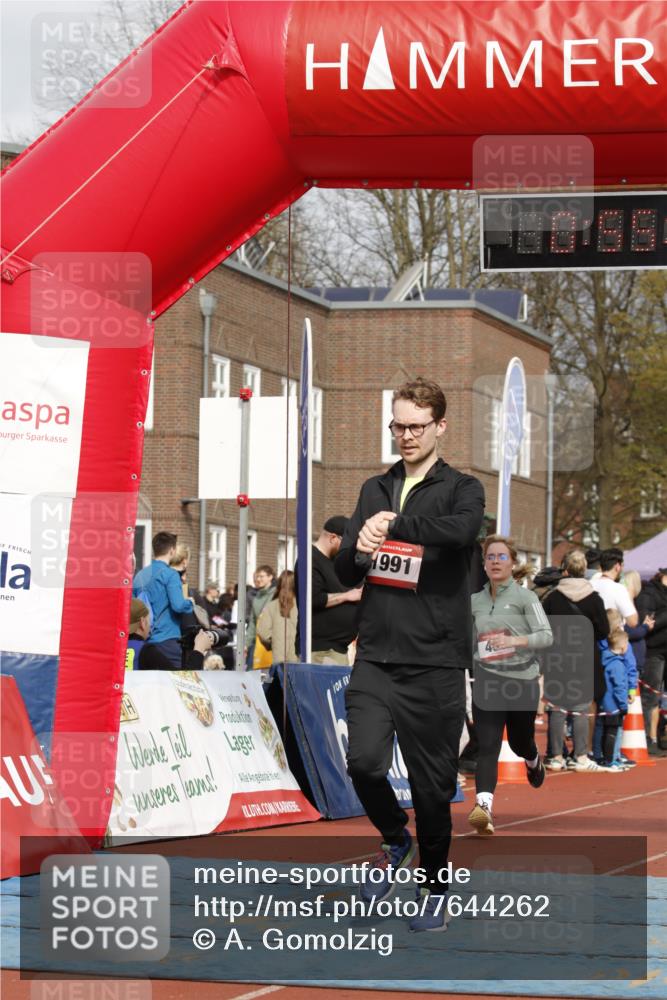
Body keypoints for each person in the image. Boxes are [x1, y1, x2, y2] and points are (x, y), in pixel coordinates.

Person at [335, 376, 485, 932]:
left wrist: (397, 525)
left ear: (439, 427)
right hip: (375, 653)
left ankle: (434, 886)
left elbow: (461, 531)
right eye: (398, 425)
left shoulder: (463, 488)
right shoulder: (374, 487)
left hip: (437, 661)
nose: (405, 436)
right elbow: (349, 568)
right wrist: (359, 547)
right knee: (363, 762)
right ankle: (396, 837)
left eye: (416, 427)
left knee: (431, 787)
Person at [469, 535, 553, 836]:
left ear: (512, 562)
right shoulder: (475, 602)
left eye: (501, 557)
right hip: (488, 679)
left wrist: (514, 640)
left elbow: (547, 636)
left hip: (522, 680)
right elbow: (467, 641)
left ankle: (532, 759)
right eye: (490, 557)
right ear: (483, 563)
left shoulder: (525, 599)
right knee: (487, 745)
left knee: (519, 742)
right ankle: (483, 808)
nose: (495, 561)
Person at [541, 549, 608, 772]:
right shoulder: (594, 599)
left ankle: (557, 756)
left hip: (558, 657)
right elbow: (604, 630)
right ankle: (580, 755)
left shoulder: (553, 597)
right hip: (584, 657)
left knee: (557, 707)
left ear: (566, 570)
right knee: (580, 708)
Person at [294, 516, 363, 665]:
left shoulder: (337, 563)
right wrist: (347, 596)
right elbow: (312, 599)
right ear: (333, 538)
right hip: (320, 650)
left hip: (338, 649)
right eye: (345, 543)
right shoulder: (309, 559)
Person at [132, 532, 195, 666]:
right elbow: (178, 605)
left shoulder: (139, 576)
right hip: (167, 639)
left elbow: (133, 608)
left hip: (145, 642)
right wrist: (189, 603)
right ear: (172, 550)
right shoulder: (170, 574)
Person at [126, 598, 213, 670]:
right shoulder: (146, 651)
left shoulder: (114, 649)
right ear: (142, 622)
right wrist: (199, 649)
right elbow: (183, 682)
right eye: (149, 620)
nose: (150, 625)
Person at [635, 567, 667, 755]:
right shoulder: (649, 594)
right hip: (654, 651)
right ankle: (648, 738)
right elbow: (646, 623)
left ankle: (662, 734)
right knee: (651, 696)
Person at [598, 629, 630, 769]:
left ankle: (605, 757)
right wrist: (623, 705)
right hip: (613, 705)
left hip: (604, 703)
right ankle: (610, 760)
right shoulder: (617, 665)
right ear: (623, 647)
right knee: (612, 732)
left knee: (605, 731)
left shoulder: (604, 659)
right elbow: (619, 687)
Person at [257, 570, 298, 665]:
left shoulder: (270, 606)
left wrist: (274, 643)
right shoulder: (304, 606)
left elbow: (263, 633)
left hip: (279, 659)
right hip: (299, 658)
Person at [591, 548, 639, 626]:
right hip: (611, 635)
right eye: (622, 565)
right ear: (617, 566)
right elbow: (633, 621)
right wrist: (630, 594)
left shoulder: (588, 584)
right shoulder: (618, 589)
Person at [245, 566, 276, 668]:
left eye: (261, 576)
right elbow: (253, 622)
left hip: (272, 640)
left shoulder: (276, 594)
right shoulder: (257, 596)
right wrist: (247, 643)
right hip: (258, 640)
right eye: (257, 576)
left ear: (270, 577)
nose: (258, 579)